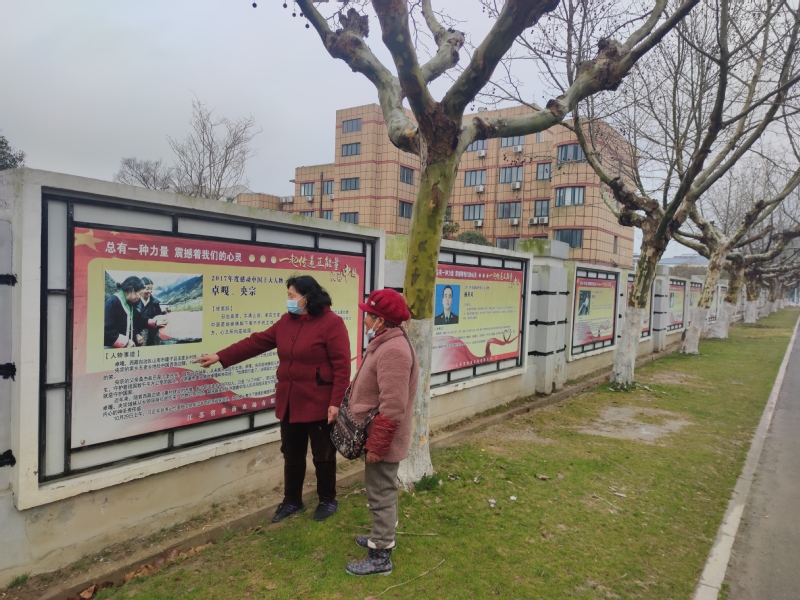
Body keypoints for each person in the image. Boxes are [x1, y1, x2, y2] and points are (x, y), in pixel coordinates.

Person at [193, 275, 351, 523]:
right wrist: (220, 356)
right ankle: (292, 501)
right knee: (292, 454)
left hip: (319, 402)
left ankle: (327, 499)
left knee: (323, 455)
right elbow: (256, 342)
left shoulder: (332, 323)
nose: (288, 300)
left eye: (291, 296)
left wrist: (335, 402)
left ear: (307, 297)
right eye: (288, 295)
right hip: (290, 401)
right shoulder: (286, 322)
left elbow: (342, 367)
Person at [345, 289, 418, 576]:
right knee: (379, 491)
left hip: (383, 439)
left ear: (381, 320)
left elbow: (394, 406)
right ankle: (380, 535)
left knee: (382, 493)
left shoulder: (394, 351)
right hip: (376, 435)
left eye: (369, 315)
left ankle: (381, 555)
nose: (364, 320)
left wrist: (377, 445)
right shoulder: (385, 342)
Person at [104, 276, 168, 348]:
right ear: (131, 290)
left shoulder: (130, 303)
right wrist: (126, 342)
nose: (140, 297)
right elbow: (106, 330)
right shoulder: (111, 302)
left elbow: (138, 319)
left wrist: (156, 322)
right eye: (140, 294)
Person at [136, 277, 170, 346]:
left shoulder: (155, 302)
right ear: (141, 289)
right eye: (147, 289)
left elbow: (157, 315)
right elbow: (133, 320)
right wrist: (136, 334)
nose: (150, 291)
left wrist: (164, 312)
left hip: (151, 333)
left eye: (151, 289)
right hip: (138, 334)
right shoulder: (135, 301)